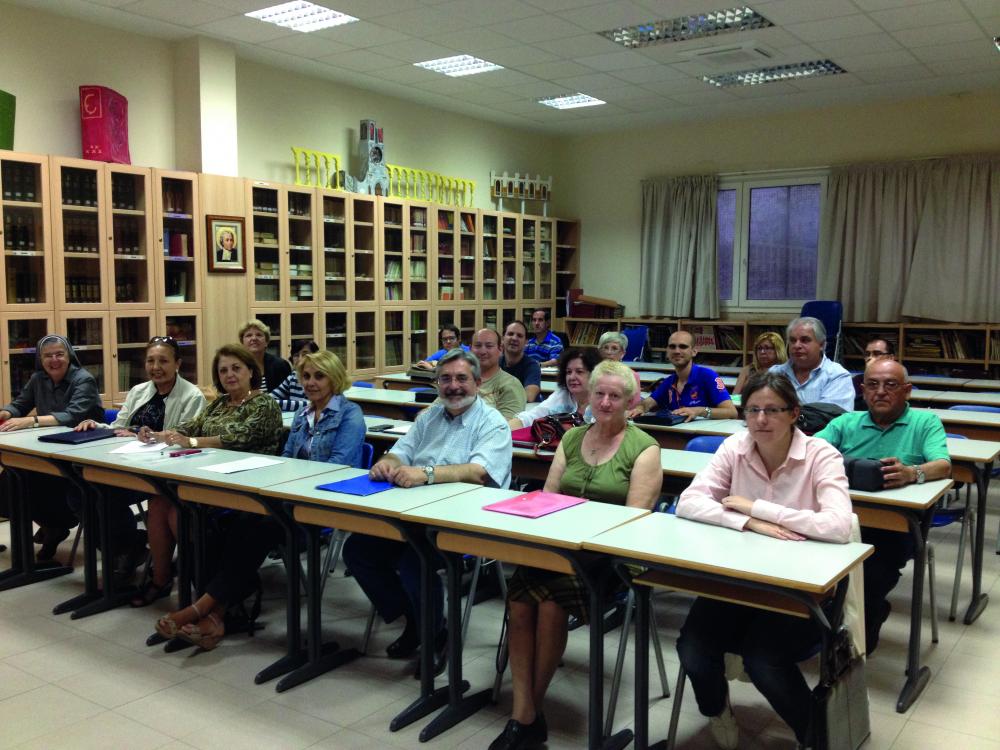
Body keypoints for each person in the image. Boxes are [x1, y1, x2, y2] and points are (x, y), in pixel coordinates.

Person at [675, 372, 852, 749]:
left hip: (800, 588)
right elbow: (688, 502)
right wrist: (748, 521)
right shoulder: (734, 448)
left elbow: (838, 525)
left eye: (772, 410)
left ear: (794, 413)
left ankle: (818, 736)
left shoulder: (822, 456)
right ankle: (717, 710)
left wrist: (760, 507)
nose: (761, 419)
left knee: (764, 661)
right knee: (692, 650)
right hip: (738, 580)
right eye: (753, 410)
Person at [490, 359, 661, 750]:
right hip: (560, 548)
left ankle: (525, 717)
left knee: (550, 606)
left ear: (629, 402)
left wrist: (578, 535)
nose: (604, 402)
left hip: (607, 559)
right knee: (518, 602)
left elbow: (631, 524)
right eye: (598, 393)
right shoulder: (571, 439)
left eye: (614, 396)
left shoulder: (645, 449)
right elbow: (547, 500)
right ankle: (525, 713)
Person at [154, 349, 364, 649]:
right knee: (225, 525)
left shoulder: (350, 415)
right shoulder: (305, 416)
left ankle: (202, 608)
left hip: (322, 507)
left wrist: (289, 484)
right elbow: (287, 458)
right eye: (305, 376)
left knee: (254, 529)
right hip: (289, 500)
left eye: (319, 376)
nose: (311, 383)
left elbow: (335, 469)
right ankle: (217, 617)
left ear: (335, 378)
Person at [343, 348, 512, 675]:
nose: (453, 386)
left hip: (465, 523)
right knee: (358, 551)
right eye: (445, 379)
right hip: (415, 516)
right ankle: (417, 621)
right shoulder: (430, 417)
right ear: (436, 384)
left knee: (414, 560)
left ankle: (436, 636)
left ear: (477, 383)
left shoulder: (492, 423)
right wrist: (385, 464)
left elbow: (480, 471)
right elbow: (400, 453)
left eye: (462, 378)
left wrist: (428, 474)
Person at [816, 358, 950, 653]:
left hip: (894, 527)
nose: (880, 392)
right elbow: (810, 450)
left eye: (890, 385)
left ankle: (857, 639)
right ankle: (819, 629)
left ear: (907, 390)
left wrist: (912, 473)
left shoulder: (924, 422)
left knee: (872, 576)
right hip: (840, 517)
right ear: (862, 390)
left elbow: (943, 464)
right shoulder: (845, 422)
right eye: (872, 385)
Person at [141, 344, 283, 618]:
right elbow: (190, 426)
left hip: (247, 487)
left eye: (236, 368)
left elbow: (239, 438)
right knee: (159, 503)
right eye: (223, 370)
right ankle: (162, 580)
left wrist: (192, 441)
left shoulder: (264, 403)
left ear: (251, 372)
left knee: (179, 513)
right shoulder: (219, 403)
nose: (229, 375)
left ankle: (209, 593)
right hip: (209, 478)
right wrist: (159, 434)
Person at [75, 336, 205, 592]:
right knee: (83, 493)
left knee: (108, 499)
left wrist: (145, 435)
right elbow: (118, 428)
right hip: (128, 466)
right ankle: (127, 548)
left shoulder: (192, 396)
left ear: (178, 363)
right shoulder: (138, 391)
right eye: (151, 361)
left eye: (163, 361)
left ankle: (130, 554)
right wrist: (95, 424)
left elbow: (184, 437)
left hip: (165, 473)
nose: (156, 366)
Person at [0, 334, 105, 560]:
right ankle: (50, 526)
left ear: (69, 356)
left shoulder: (83, 379)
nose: (54, 360)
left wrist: (32, 420)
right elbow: (20, 404)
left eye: (59, 354)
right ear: (41, 359)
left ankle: (55, 526)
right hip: (49, 447)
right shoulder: (38, 378)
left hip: (83, 451)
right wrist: (6, 413)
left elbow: (73, 415)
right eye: (48, 356)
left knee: (37, 480)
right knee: (13, 478)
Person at [628, 330, 738, 421]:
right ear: (667, 352)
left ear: (694, 351)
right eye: (672, 347)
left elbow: (732, 412)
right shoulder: (669, 382)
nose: (677, 351)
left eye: (683, 346)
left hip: (704, 435)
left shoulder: (708, 376)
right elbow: (648, 402)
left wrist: (698, 411)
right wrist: (640, 408)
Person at [770, 317, 854, 412]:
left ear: (822, 345)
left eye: (805, 340)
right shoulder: (774, 373)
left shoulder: (837, 376)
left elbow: (828, 417)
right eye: (793, 340)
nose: (797, 346)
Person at [508, 348, 600, 429]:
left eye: (579, 372)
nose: (572, 377)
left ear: (594, 374)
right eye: (568, 372)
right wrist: (504, 429)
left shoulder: (603, 399)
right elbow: (533, 416)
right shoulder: (562, 395)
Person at [471, 328, 526, 420]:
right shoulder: (459, 381)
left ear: (500, 349)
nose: (483, 351)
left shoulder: (510, 385)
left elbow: (505, 428)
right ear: (470, 349)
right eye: (478, 346)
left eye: (489, 346)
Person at [239, 319, 290, 393]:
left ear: (266, 342)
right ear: (242, 342)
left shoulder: (280, 365)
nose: (254, 338)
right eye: (249, 335)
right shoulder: (237, 367)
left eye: (259, 335)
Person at [597, 331, 642, 407]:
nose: (609, 352)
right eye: (605, 347)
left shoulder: (632, 376)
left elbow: (634, 405)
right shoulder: (592, 373)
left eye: (614, 348)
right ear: (600, 351)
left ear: (622, 354)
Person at [501, 320, 542, 402]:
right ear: (503, 338)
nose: (514, 338)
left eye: (519, 336)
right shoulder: (495, 363)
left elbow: (529, 396)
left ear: (526, 342)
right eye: (510, 334)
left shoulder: (532, 366)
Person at [851, 338, 896, 410]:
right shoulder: (857, 381)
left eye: (877, 354)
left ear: (890, 358)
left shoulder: (897, 381)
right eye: (867, 354)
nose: (870, 358)